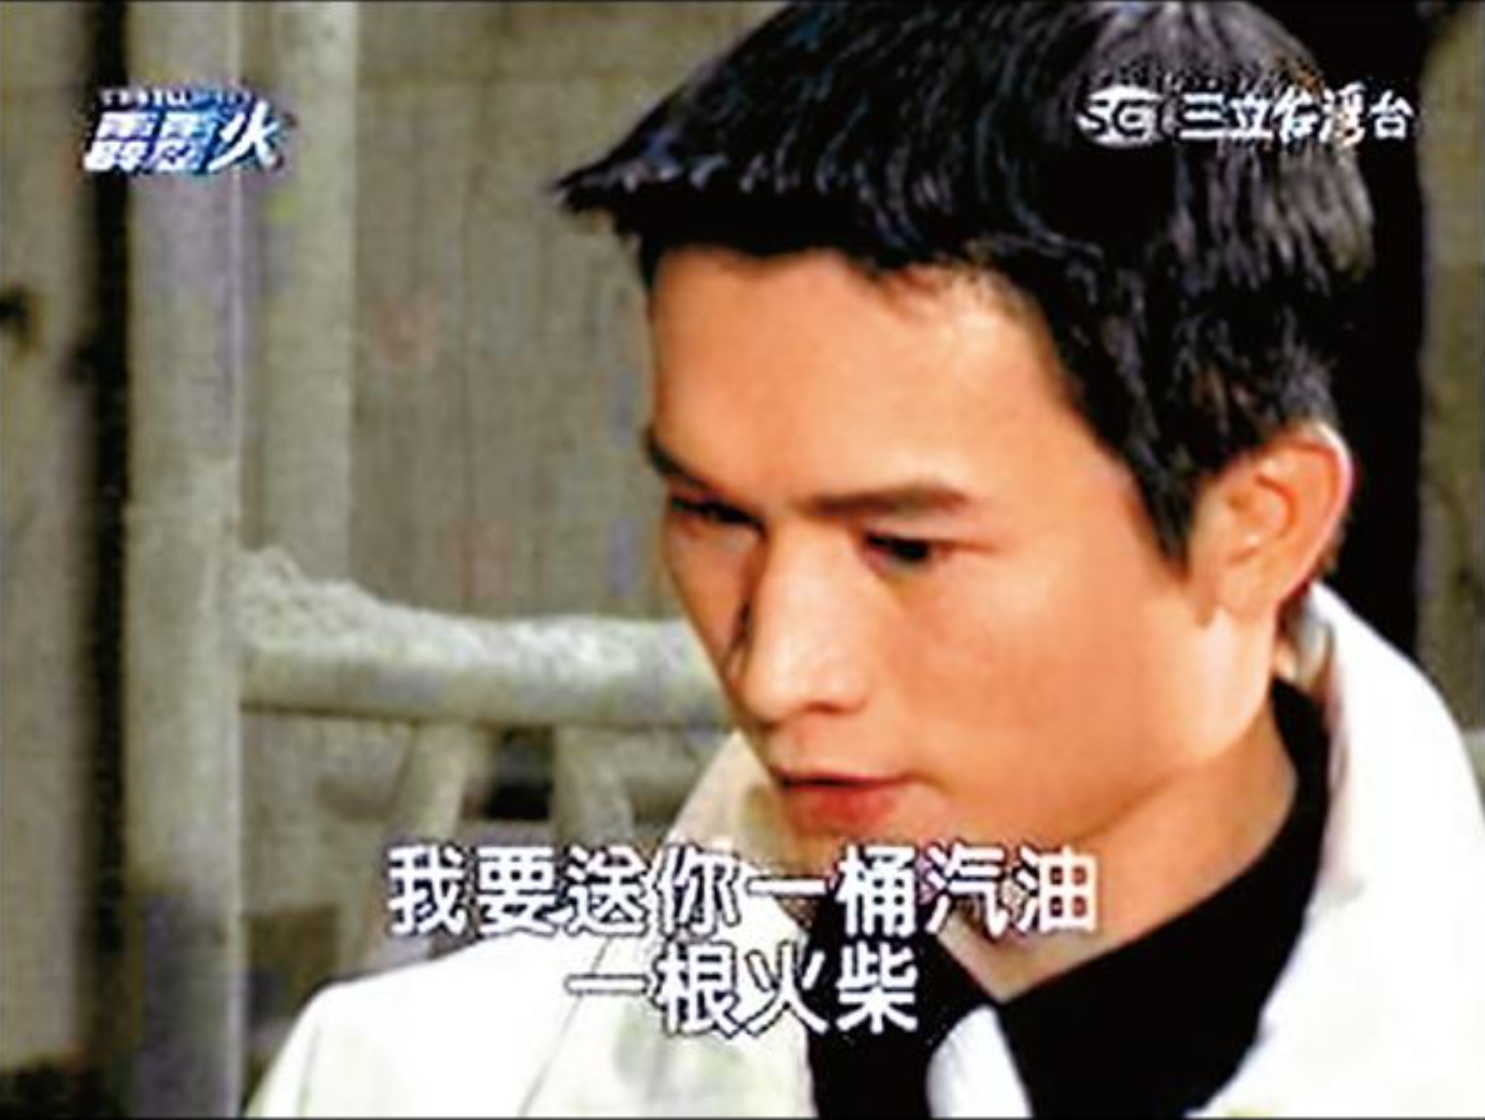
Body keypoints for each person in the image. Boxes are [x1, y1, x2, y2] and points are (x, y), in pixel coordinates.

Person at [249, 3, 1485, 1115]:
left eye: (903, 545)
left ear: (1259, 524)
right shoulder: (403, 1083)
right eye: (712, 513)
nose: (776, 671)